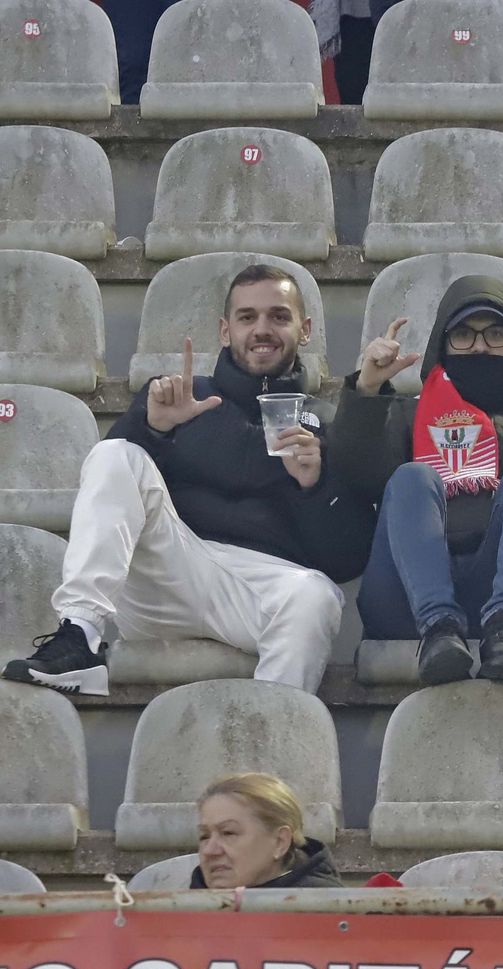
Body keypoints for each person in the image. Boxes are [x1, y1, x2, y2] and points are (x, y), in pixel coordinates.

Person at [3, 266, 373, 697]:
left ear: (304, 329)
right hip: (168, 570)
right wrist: (154, 429)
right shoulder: (183, 396)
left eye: (278, 316)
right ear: (224, 329)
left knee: (318, 598)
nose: (262, 330)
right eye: (247, 317)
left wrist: (315, 486)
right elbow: (109, 482)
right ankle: (79, 635)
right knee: (117, 452)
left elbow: (346, 561)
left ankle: (271, 743)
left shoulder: (324, 422)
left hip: (259, 587)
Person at [327, 276, 503, 685]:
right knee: (412, 478)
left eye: (495, 334)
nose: (480, 347)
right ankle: (438, 628)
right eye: (463, 335)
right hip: (407, 597)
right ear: (443, 343)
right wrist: (367, 390)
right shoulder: (407, 412)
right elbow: (356, 473)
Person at [192, 772, 341, 890]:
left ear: (280, 842)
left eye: (228, 833)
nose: (210, 851)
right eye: (204, 836)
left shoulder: (338, 916)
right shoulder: (177, 912)